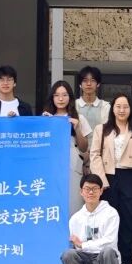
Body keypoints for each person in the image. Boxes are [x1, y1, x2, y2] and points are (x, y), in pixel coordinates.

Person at [89, 94, 132, 264]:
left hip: (130, 176)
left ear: (131, 109)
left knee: (129, 219)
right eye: (118, 106)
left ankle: (126, 260)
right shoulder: (102, 129)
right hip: (107, 177)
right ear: (113, 108)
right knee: (107, 219)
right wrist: (101, 181)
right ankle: (107, 259)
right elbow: (94, 155)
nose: (122, 110)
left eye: (125, 106)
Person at [61, 174, 122, 264]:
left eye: (95, 189)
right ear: (81, 192)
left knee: (108, 251)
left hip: (106, 261)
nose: (90, 192)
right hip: (87, 260)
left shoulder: (111, 213)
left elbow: (109, 241)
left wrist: (83, 245)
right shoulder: (75, 219)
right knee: (67, 255)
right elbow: (76, 248)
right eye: (87, 189)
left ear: (101, 191)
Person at [43, 80, 93, 213]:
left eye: (64, 95)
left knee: (74, 203)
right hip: (51, 166)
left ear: (70, 97)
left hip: (73, 167)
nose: (61, 99)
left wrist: (77, 128)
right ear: (52, 98)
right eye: (57, 95)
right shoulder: (46, 119)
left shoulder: (79, 118)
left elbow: (84, 147)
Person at [76, 65, 111, 134]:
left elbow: (108, 129)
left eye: (92, 80)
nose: (89, 84)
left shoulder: (105, 106)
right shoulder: (73, 105)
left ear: (98, 84)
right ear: (80, 85)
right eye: (85, 81)